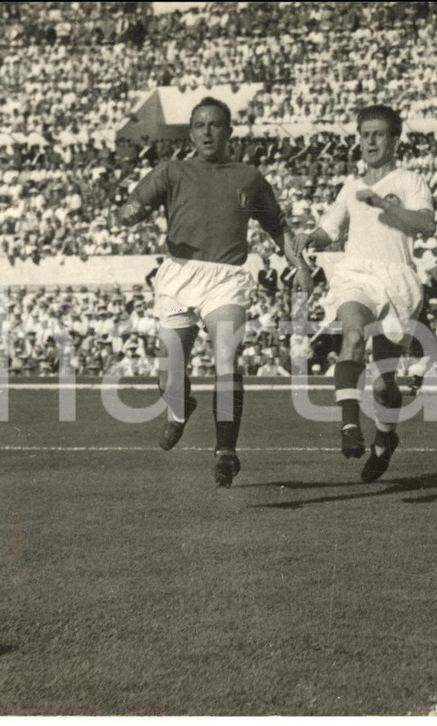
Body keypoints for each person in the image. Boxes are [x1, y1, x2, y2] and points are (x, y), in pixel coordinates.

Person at [116, 96, 312, 487]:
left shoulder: (249, 177)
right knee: (169, 371)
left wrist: (301, 265)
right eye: (200, 125)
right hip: (178, 274)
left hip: (226, 277)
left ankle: (226, 451)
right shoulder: (172, 171)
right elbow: (126, 211)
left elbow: (278, 228)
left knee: (226, 357)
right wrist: (130, 214)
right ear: (191, 132)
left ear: (229, 131)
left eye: (215, 124)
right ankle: (180, 409)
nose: (207, 131)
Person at [292, 104, 435, 483]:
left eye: (379, 134)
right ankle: (349, 426)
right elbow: (329, 229)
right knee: (352, 334)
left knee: (385, 385)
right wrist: (310, 237)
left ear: (394, 139)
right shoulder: (351, 187)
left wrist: (386, 205)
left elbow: (426, 224)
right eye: (365, 134)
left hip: (398, 282)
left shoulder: (408, 181)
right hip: (356, 274)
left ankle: (386, 438)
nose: (370, 141)